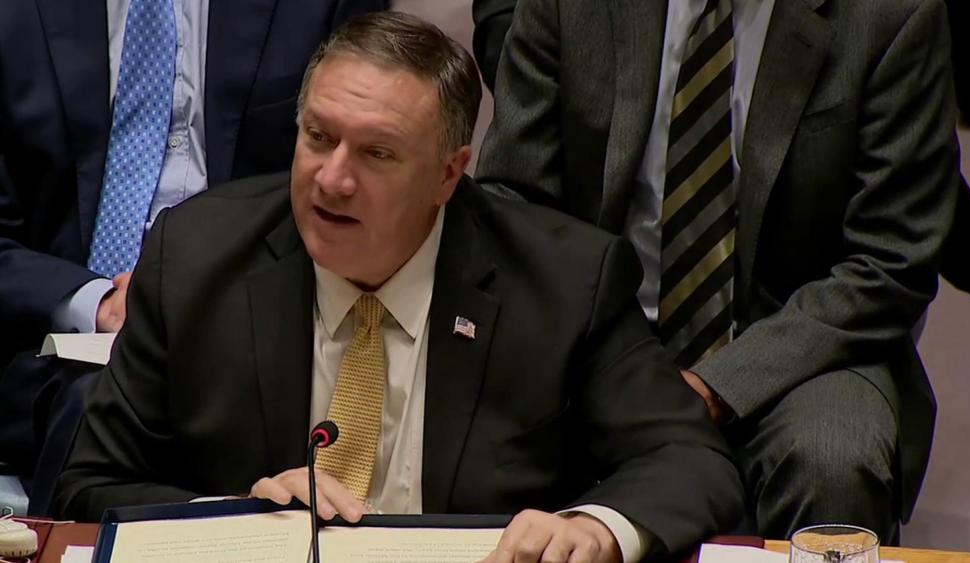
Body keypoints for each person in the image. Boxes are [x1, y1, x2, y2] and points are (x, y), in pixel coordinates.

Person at [55, 12, 743, 562]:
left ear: (449, 174)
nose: (332, 179)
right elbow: (92, 483)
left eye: (377, 153)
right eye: (318, 137)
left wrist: (595, 527)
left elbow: (690, 460)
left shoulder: (564, 282)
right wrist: (238, 518)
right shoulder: (196, 257)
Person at [476, 0, 960, 541]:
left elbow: (892, 258)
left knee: (831, 458)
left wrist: (721, 383)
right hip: (604, 332)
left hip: (798, 339)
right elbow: (514, 204)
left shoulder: (890, 14)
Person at [0, 0, 386, 514]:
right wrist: (98, 301)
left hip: (246, 327)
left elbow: (355, 157)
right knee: (93, 404)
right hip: (42, 342)